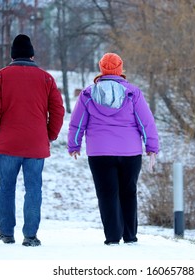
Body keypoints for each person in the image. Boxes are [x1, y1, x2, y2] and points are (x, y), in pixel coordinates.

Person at [67, 53, 159, 245]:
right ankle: (130, 236)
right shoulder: (133, 93)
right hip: (130, 153)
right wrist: (151, 146)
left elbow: (77, 123)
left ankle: (112, 237)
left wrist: (74, 144)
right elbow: (146, 122)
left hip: (100, 153)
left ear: (101, 69)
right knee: (128, 192)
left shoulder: (88, 94)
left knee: (107, 194)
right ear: (120, 68)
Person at [0, 34, 65, 247]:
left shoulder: (1, 77)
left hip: (7, 144)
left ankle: (6, 232)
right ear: (32, 55)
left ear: (12, 56)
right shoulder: (46, 78)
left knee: (6, 187)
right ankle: (30, 236)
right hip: (36, 145)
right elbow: (58, 110)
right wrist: (50, 134)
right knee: (33, 189)